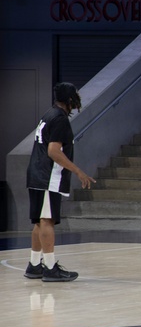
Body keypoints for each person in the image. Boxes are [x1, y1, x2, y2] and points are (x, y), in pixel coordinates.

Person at [24, 83, 96, 282]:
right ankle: (49, 268)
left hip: (36, 173)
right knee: (47, 220)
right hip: (47, 176)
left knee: (40, 221)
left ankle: (35, 264)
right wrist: (78, 171)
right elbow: (54, 151)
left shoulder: (49, 114)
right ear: (70, 99)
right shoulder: (60, 120)